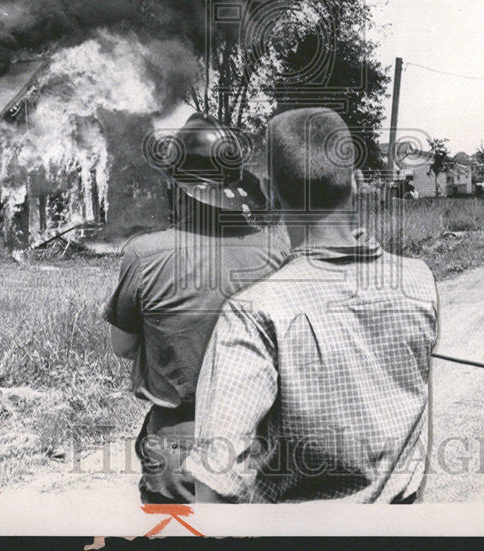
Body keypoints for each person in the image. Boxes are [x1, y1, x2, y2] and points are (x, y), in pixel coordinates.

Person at [184, 108, 439, 503]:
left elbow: (214, 490)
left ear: (269, 192)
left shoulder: (254, 314)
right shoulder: (419, 281)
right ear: (355, 183)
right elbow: (420, 437)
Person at [102, 113, 289, 502]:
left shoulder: (144, 255)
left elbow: (121, 348)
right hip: (259, 446)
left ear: (179, 186)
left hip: (177, 454)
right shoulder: (279, 251)